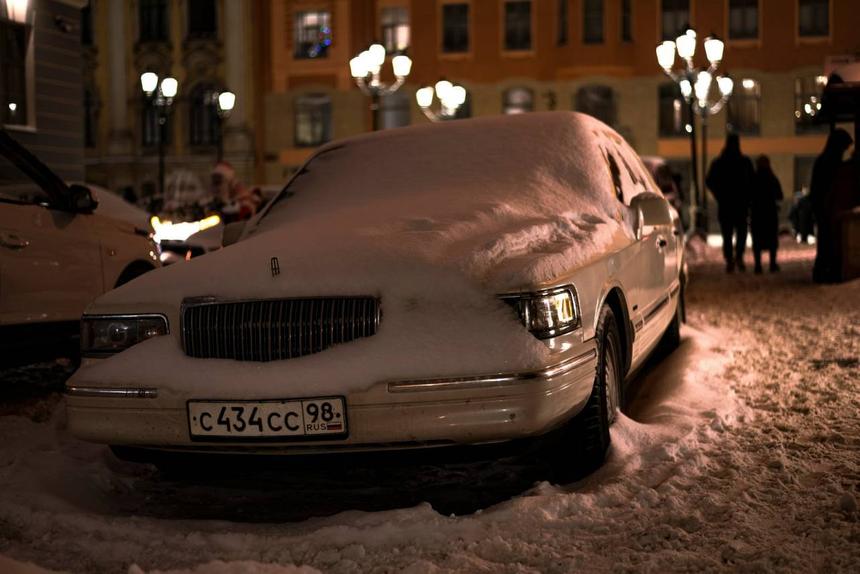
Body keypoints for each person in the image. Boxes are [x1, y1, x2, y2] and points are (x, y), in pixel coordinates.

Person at [706, 134, 755, 272]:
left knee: (727, 234)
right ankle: (738, 257)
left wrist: (719, 194)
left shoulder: (719, 163)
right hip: (740, 204)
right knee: (741, 232)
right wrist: (748, 197)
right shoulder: (744, 162)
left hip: (726, 204)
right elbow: (752, 181)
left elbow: (709, 181)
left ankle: (730, 259)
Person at [810, 129, 853, 283]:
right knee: (828, 240)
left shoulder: (823, 160)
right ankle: (827, 271)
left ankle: (823, 270)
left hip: (824, 206)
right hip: (828, 206)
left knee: (825, 240)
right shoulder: (831, 162)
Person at [750, 155, 783, 273]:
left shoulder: (753, 178)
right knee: (772, 239)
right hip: (770, 212)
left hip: (757, 213)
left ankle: (758, 265)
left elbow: (748, 195)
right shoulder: (772, 178)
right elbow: (780, 195)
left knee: (757, 239)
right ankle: (772, 264)